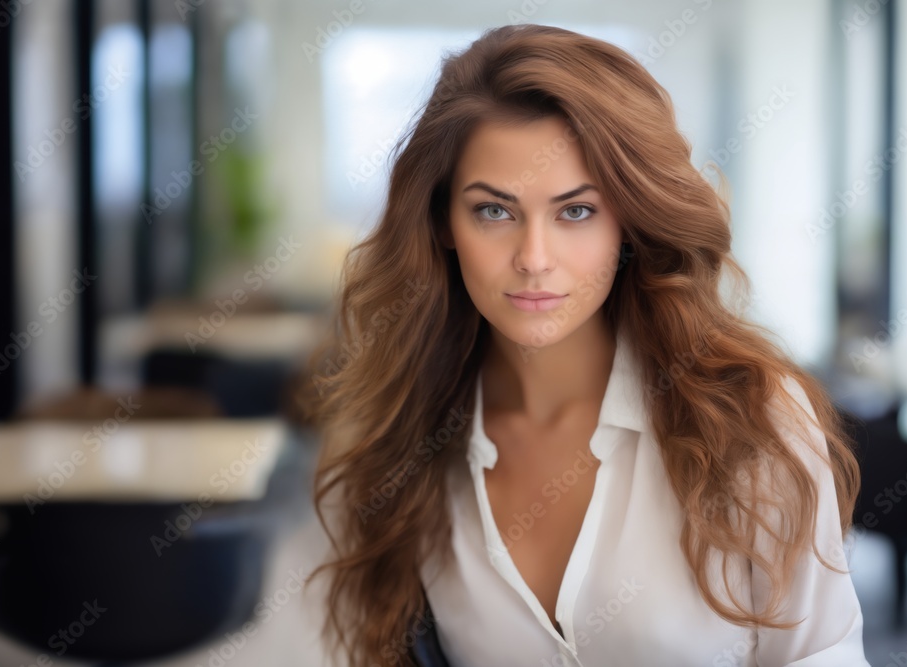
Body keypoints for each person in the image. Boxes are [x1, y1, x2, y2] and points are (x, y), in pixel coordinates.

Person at [295, 23, 869, 667]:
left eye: (576, 211)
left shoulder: (753, 418)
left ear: (629, 221)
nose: (534, 259)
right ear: (443, 224)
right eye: (494, 210)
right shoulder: (405, 446)